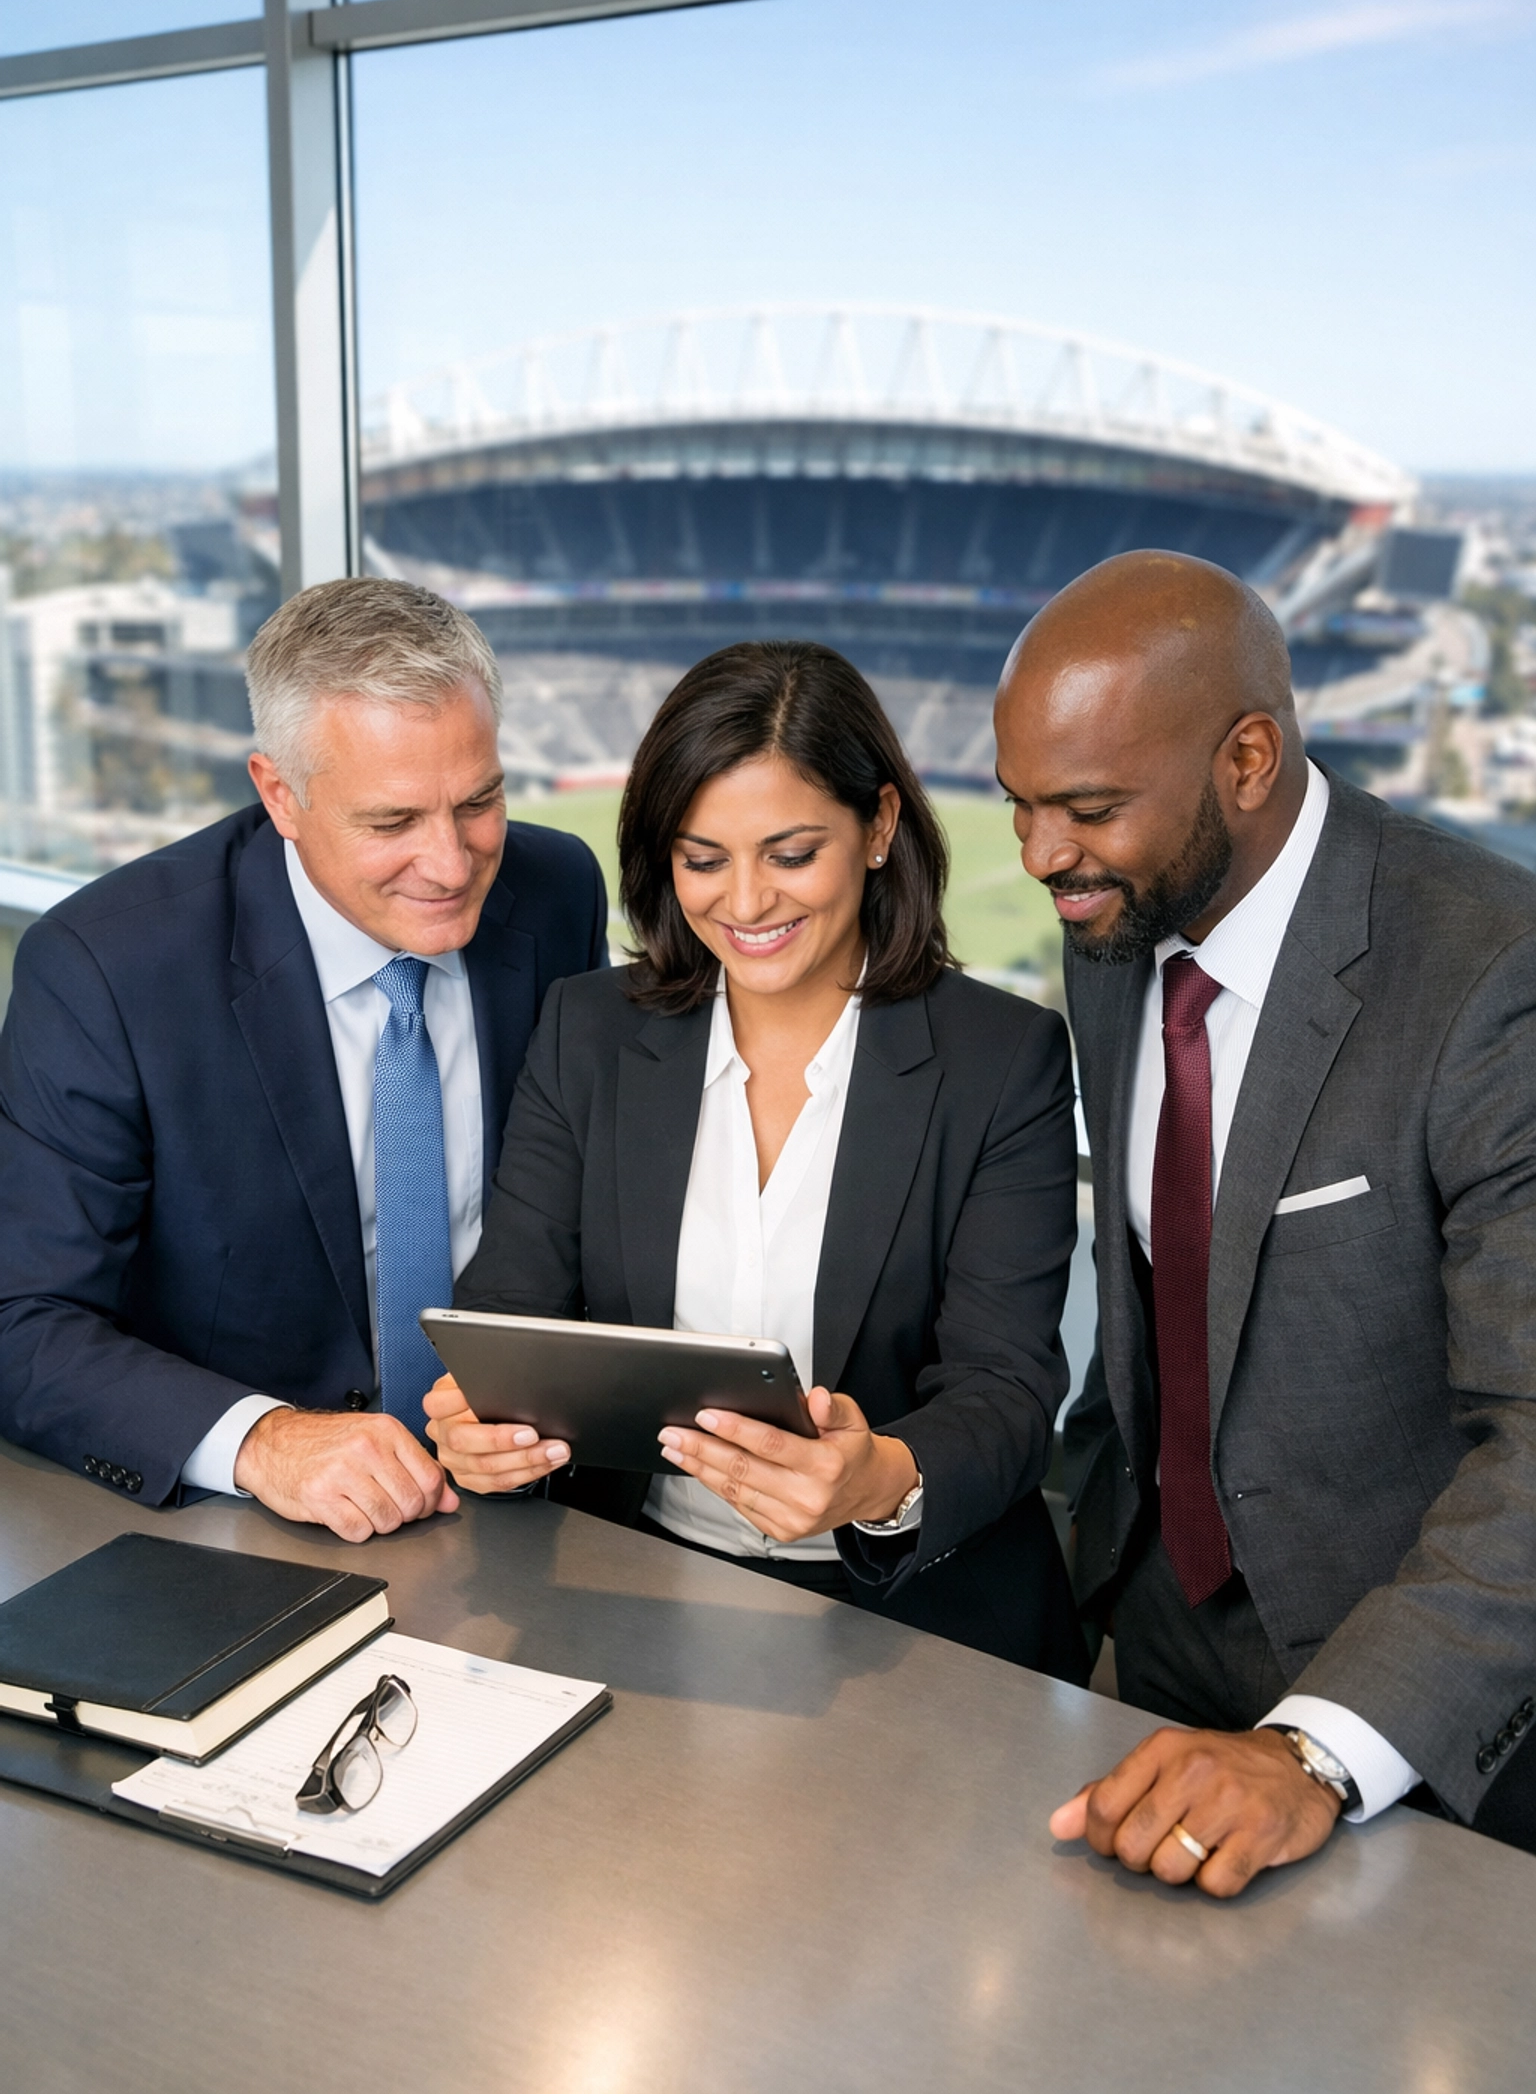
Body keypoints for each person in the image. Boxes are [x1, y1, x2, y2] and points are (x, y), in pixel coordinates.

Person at [988, 548, 1536, 1891]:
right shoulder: (1116, 922)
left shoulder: (1491, 973)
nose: (1042, 857)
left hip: (1411, 1707)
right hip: (1155, 1632)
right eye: (1019, 807)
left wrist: (1318, 1751)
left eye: (1087, 809)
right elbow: (1156, 1292)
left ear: (1246, 760)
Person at [427, 639, 1089, 1675]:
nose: (743, 904)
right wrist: (483, 1425)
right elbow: (511, 1310)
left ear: (879, 828)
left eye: (790, 855)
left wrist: (880, 1479)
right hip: (630, 1587)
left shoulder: (1002, 1060)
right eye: (703, 860)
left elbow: (1004, 1388)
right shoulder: (586, 1030)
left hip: (914, 1619)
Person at [0, 577, 606, 1542]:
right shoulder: (108, 969)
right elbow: (23, 1318)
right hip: (248, 1526)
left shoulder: (556, 888)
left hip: (532, 1507)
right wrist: (261, 1440)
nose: (452, 865)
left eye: (479, 802)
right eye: (392, 822)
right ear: (280, 794)